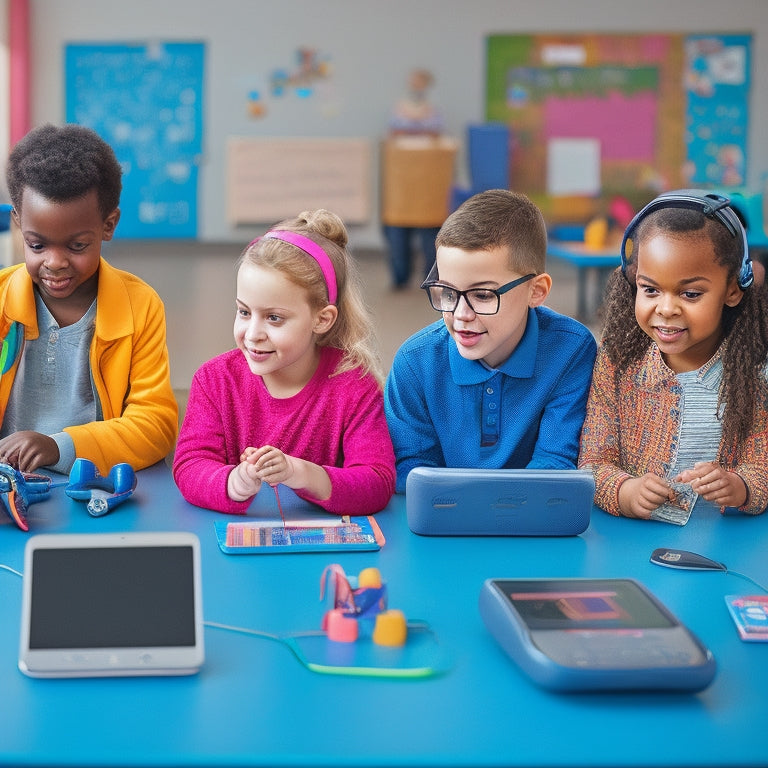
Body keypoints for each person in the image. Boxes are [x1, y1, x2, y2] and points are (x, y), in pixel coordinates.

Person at [172, 209, 396, 515]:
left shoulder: (355, 386)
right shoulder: (214, 380)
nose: (252, 334)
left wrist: (298, 472)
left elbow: (376, 483)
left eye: (274, 318)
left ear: (322, 319)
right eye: (244, 312)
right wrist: (236, 482)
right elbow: (190, 466)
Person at [384, 189, 597, 492]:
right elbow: (412, 472)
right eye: (447, 292)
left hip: (528, 528)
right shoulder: (415, 362)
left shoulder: (572, 351)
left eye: (483, 295)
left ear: (536, 291)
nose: (460, 314)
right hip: (445, 526)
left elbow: (555, 463)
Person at [578, 189, 768, 522]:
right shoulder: (617, 362)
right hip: (631, 545)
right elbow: (592, 462)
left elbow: (761, 465)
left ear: (733, 290)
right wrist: (625, 492)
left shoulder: (751, 371)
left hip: (726, 548)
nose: (666, 309)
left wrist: (740, 487)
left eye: (691, 293)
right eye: (649, 289)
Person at [0, 123, 178, 475]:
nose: (54, 262)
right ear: (18, 224)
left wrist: (58, 446)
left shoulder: (140, 306)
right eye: (37, 245)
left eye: (76, 245)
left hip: (93, 484)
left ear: (108, 225)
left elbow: (155, 426)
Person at [383, 68, 445, 290]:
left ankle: (430, 278)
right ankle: (400, 278)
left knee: (430, 237)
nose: (416, 86)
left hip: (426, 187)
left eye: (420, 82)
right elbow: (393, 135)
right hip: (401, 188)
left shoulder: (433, 111)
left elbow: (436, 136)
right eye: (413, 82)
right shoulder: (399, 109)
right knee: (398, 237)